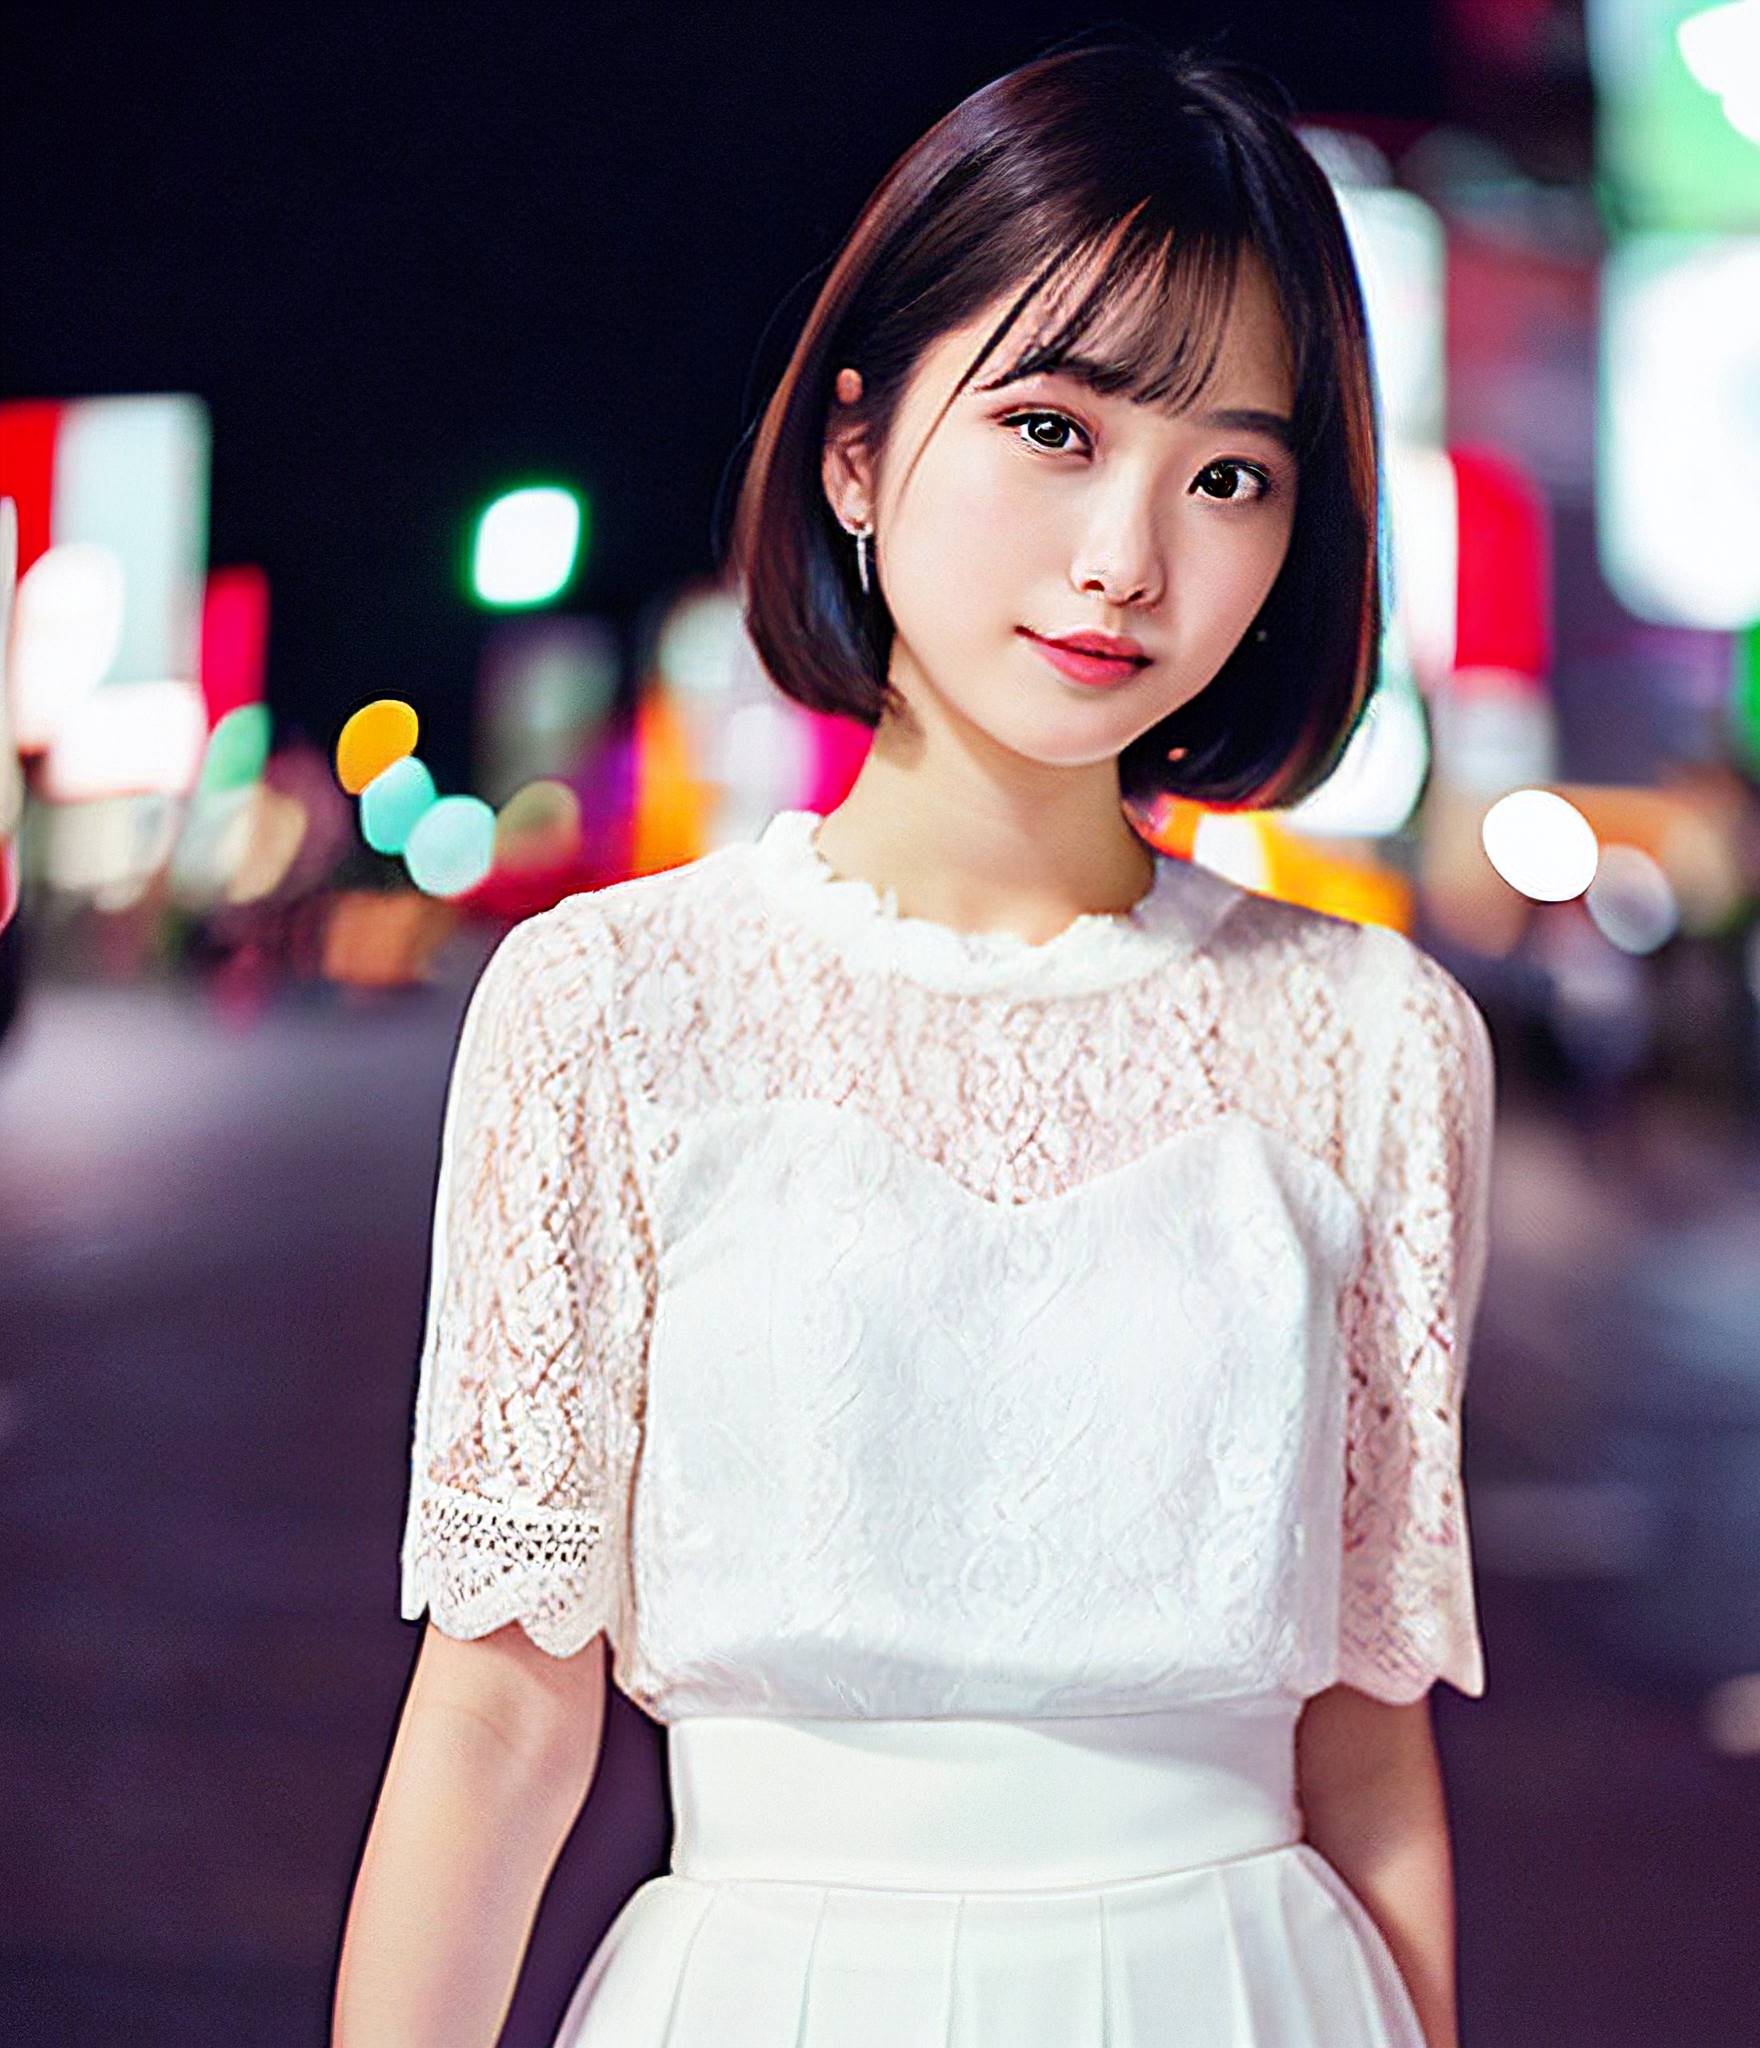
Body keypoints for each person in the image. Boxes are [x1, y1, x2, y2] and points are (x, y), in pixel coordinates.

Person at [335, 35, 1495, 2048]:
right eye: (1053, 426)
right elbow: (501, 1718)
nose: (1129, 554)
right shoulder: (609, 1005)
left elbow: (1366, 1740)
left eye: (1228, 473)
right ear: (856, 452)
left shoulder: (1377, 1040)